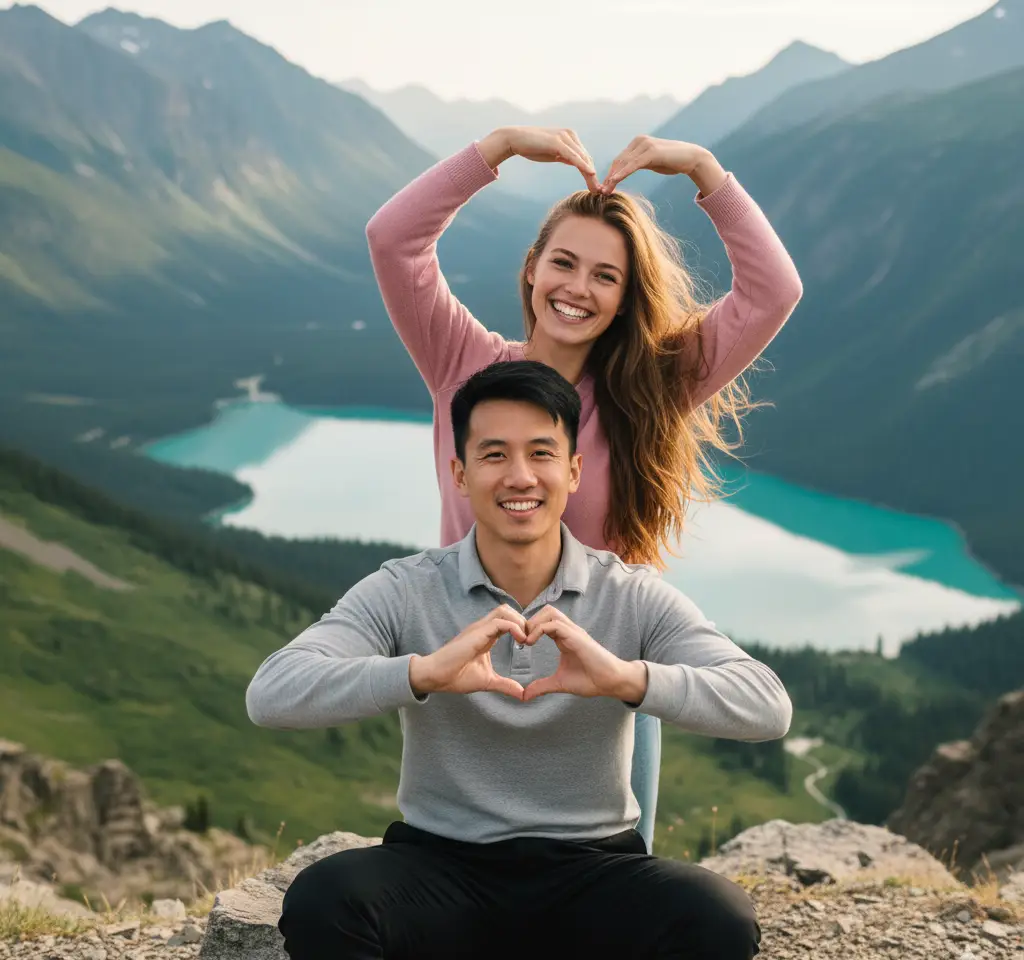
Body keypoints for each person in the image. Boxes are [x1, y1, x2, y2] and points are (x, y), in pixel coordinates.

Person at [246, 359, 793, 960]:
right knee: (326, 898)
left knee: (717, 914)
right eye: (494, 455)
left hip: (593, 869)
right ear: (459, 473)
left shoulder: (629, 593)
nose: (520, 476)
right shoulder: (406, 589)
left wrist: (625, 680)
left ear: (574, 470)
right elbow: (271, 693)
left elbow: (766, 705)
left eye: (541, 453)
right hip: (440, 867)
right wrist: (421, 673)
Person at [364, 125, 803, 850]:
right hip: (473, 674)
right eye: (563, 262)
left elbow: (772, 292)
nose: (577, 288)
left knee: (611, 896)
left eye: (606, 275)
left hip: (605, 688)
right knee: (461, 892)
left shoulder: (653, 388)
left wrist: (703, 171)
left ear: (627, 297)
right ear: (532, 268)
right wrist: (497, 148)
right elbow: (393, 241)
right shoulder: (463, 365)